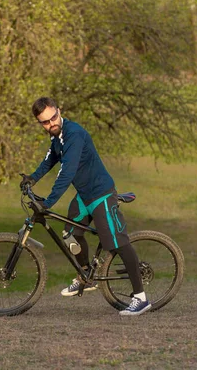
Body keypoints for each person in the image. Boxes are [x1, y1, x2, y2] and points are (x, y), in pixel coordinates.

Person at [20, 96, 151, 317]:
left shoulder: (74, 134)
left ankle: (140, 298)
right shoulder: (57, 138)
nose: (51, 123)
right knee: (70, 234)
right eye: (45, 122)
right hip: (84, 196)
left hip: (101, 194)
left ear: (59, 111)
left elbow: (67, 172)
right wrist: (32, 179)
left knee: (117, 243)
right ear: (39, 123)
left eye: (53, 118)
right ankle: (86, 277)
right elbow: (50, 160)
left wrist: (48, 202)